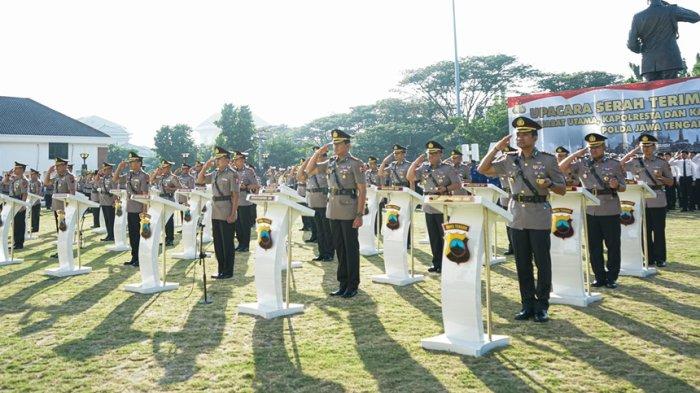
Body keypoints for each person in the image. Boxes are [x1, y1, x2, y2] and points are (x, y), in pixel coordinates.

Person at [478, 117, 566, 323]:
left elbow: (561, 189)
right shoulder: (509, 159)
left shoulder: (548, 160)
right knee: (522, 264)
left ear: (535, 137)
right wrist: (496, 149)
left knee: (542, 263)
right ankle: (527, 304)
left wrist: (550, 183)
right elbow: (483, 169)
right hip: (517, 215)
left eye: (525, 134)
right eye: (518, 134)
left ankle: (542, 305)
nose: (520, 137)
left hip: (539, 215)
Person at [560, 133, 627, 289]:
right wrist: (576, 154)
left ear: (603, 147)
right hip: (590, 210)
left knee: (613, 245)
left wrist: (616, 185)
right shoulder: (582, 164)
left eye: (596, 147)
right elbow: (560, 168)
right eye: (591, 148)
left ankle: (611, 277)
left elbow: (623, 187)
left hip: (609, 208)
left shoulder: (614, 164)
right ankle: (599, 276)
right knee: (593, 246)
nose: (593, 150)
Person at [306, 129, 367, 298]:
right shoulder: (331, 162)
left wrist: (360, 214)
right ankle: (342, 283)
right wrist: (318, 152)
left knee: (350, 248)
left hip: (349, 210)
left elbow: (362, 190)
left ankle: (353, 285)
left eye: (338, 143)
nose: (335, 146)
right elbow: (309, 170)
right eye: (334, 144)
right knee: (339, 248)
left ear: (347, 145)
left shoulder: (355, 163)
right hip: (332, 209)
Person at [407, 141, 462, 273]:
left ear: (440, 154)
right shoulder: (424, 168)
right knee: (433, 237)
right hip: (429, 204)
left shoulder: (447, 168)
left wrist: (446, 188)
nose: (431, 156)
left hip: (443, 204)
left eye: (434, 153)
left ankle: (448, 263)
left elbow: (458, 184)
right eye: (429, 153)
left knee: (445, 236)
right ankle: (436, 263)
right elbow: (410, 177)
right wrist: (416, 162)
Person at [620, 134, 674, 267]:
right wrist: (634, 151)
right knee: (644, 230)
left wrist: (661, 177)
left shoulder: (662, 162)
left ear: (654, 147)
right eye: (643, 146)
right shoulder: (636, 161)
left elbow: (671, 182)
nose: (646, 149)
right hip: (641, 200)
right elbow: (620, 165)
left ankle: (660, 258)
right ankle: (648, 258)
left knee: (659, 230)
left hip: (657, 199)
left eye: (648, 146)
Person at [627, 0, 699, 81]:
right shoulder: (670, 10)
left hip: (649, 64)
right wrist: (673, 7)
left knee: (654, 93)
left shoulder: (638, 17)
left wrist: (643, 50)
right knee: (671, 91)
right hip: (670, 61)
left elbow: (632, 45)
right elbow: (695, 16)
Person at [197, 146, 240, 279]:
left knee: (227, 242)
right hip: (215, 211)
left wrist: (233, 213)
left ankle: (228, 271)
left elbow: (235, 196)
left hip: (227, 209)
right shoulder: (215, 173)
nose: (216, 161)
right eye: (216, 159)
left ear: (226, 159)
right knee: (218, 243)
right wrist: (205, 167)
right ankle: (221, 269)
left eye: (219, 158)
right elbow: (200, 180)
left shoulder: (232, 174)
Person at [113, 152, 150, 267]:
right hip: (130, 208)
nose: (131, 164)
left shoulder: (144, 176)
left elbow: (145, 194)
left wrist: (144, 211)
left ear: (139, 163)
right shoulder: (129, 175)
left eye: (133, 162)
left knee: (140, 235)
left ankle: (141, 258)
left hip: (139, 209)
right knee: (133, 235)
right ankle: (134, 257)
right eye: (130, 162)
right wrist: (119, 167)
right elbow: (115, 179)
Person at [303, 147, 334, 262]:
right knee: (319, 230)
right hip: (314, 202)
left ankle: (329, 253)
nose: (319, 157)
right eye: (317, 155)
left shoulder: (328, 168)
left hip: (324, 202)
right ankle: (322, 253)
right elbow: (302, 175)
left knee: (327, 230)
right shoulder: (312, 170)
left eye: (322, 156)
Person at [231, 151, 259, 252]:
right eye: (234, 160)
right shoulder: (232, 171)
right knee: (237, 225)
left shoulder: (249, 171)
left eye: (237, 160)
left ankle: (245, 245)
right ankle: (240, 244)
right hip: (234, 202)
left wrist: (246, 186)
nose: (235, 162)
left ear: (242, 160)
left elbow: (256, 185)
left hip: (244, 201)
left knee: (245, 225)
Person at [150, 160, 182, 247]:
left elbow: (180, 187)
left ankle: (170, 239)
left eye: (164, 167)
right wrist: (156, 172)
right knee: (163, 220)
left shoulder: (172, 177)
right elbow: (151, 180)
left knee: (169, 220)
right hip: (161, 199)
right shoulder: (161, 177)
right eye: (162, 167)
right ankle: (166, 238)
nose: (163, 169)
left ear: (169, 168)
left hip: (169, 198)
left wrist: (170, 188)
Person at [44, 158, 76, 240]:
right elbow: (46, 183)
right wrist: (48, 172)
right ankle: (61, 247)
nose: (56, 168)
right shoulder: (57, 176)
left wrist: (68, 207)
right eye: (56, 166)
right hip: (57, 206)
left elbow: (72, 192)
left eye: (58, 166)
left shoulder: (69, 176)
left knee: (65, 228)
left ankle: (64, 247)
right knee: (59, 229)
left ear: (65, 166)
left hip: (64, 207)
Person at [2, 162, 29, 249]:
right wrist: (7, 175)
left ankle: (19, 244)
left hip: (19, 202)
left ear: (21, 170)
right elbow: (4, 182)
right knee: (14, 224)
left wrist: (22, 205)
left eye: (16, 168)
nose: (14, 169)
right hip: (12, 201)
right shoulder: (14, 179)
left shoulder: (24, 180)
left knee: (19, 224)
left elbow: (24, 194)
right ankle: (15, 243)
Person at [95, 163, 116, 242]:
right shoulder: (103, 178)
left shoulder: (112, 178)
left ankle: (112, 235)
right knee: (107, 220)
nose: (104, 171)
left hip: (110, 202)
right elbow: (96, 180)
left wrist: (114, 202)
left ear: (110, 170)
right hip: (103, 202)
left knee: (111, 220)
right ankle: (109, 235)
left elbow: (114, 191)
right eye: (103, 169)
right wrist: (98, 173)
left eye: (105, 169)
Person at [28, 169, 44, 233]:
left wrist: (33, 198)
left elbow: (38, 192)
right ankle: (32, 227)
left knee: (35, 216)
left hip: (36, 201)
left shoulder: (38, 182)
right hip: (31, 201)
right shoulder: (30, 181)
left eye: (33, 174)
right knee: (32, 215)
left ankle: (35, 228)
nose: (31, 175)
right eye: (31, 174)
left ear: (36, 175)